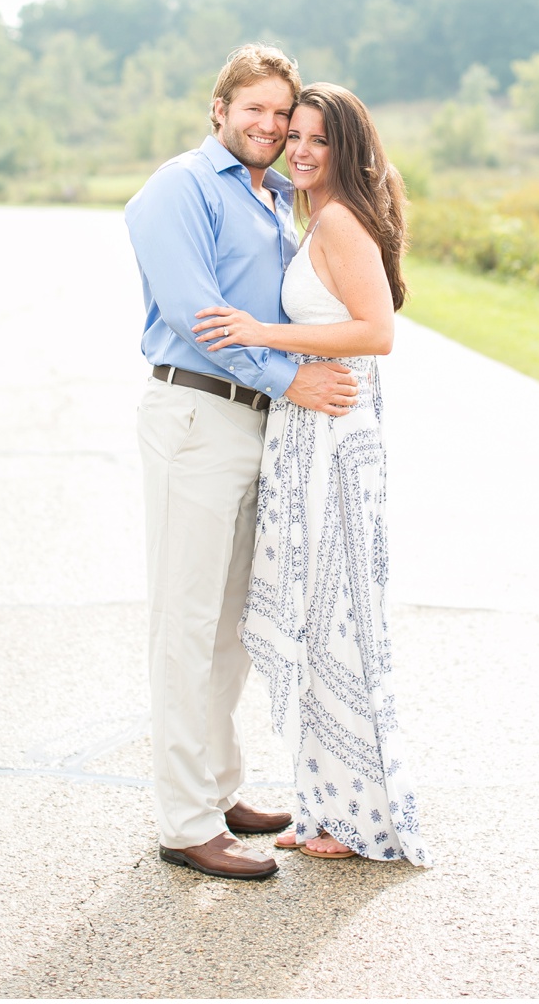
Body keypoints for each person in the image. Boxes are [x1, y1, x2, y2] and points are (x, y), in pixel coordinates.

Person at [122, 44, 360, 882]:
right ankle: (184, 821)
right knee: (184, 623)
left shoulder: (267, 198)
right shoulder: (177, 188)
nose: (268, 126)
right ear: (217, 108)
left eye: (281, 114)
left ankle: (219, 788)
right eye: (252, 108)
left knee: (233, 625)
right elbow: (200, 320)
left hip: (260, 425)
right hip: (196, 416)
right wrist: (292, 375)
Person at [193, 83, 432, 866]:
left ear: (346, 148)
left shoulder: (336, 220)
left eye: (317, 140)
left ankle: (353, 818)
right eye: (293, 134)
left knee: (334, 619)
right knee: (312, 615)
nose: (298, 148)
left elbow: (378, 331)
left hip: (335, 438)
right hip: (310, 428)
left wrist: (261, 329)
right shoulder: (316, 215)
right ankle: (322, 804)